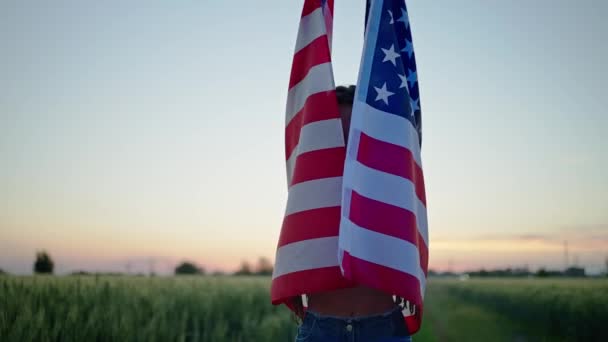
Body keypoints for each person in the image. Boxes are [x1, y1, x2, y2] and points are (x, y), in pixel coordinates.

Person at [292, 85, 412, 342]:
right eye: (337, 133)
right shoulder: (308, 195)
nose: (345, 142)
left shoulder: (389, 190)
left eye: (354, 133)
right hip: (320, 332)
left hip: (385, 331)